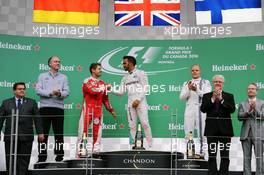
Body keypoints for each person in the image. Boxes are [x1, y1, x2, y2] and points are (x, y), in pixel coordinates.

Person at [0, 82, 44, 175]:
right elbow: (0, 119)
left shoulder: (32, 102)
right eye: (20, 89)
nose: (22, 90)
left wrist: (40, 132)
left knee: (24, 159)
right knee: (10, 159)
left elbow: (37, 119)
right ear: (14, 91)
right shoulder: (6, 102)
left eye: (23, 89)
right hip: (10, 136)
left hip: (26, 136)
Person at [110, 55, 152, 148]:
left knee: (145, 123)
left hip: (141, 102)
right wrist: (111, 89)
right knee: (132, 126)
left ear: (131, 63)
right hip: (130, 104)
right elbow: (121, 92)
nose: (123, 65)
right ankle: (133, 145)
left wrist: (138, 99)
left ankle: (150, 146)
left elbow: (146, 87)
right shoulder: (124, 77)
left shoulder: (141, 73)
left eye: (124, 63)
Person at [77, 63, 116, 155]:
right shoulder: (87, 81)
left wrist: (111, 110)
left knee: (97, 134)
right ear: (93, 70)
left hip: (98, 111)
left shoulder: (102, 83)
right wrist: (105, 87)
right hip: (87, 110)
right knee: (83, 132)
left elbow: (105, 99)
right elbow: (92, 91)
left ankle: (96, 152)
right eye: (99, 69)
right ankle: (80, 153)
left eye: (101, 69)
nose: (101, 70)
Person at [36, 56, 70, 162]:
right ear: (50, 64)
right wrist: (50, 93)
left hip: (58, 108)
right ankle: (42, 157)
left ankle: (59, 156)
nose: (58, 63)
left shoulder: (64, 77)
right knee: (43, 134)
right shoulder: (42, 76)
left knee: (59, 134)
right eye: (55, 61)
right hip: (45, 108)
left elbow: (67, 92)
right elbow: (38, 90)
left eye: (59, 61)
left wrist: (59, 93)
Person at [201, 75, 235, 175]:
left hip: (225, 131)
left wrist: (221, 99)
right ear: (213, 83)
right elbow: (203, 109)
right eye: (216, 81)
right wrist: (213, 99)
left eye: (220, 82)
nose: (218, 83)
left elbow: (232, 109)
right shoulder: (206, 96)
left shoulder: (229, 96)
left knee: (225, 156)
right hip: (211, 131)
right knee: (212, 155)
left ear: (223, 83)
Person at [179, 64, 211, 155]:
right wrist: (188, 89)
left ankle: (203, 154)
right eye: (193, 70)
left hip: (201, 110)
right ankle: (189, 153)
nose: (194, 72)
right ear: (191, 72)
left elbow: (207, 96)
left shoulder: (205, 82)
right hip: (189, 109)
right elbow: (181, 97)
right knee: (188, 133)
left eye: (196, 70)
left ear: (200, 71)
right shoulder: (186, 83)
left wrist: (196, 89)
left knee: (202, 134)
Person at [238, 83, 264, 175]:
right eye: (249, 89)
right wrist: (248, 111)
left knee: (259, 157)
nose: (250, 90)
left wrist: (255, 109)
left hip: (258, 134)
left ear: (256, 91)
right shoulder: (242, 103)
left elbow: (263, 116)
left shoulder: (262, 103)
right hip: (245, 134)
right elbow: (239, 117)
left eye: (253, 89)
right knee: (246, 157)